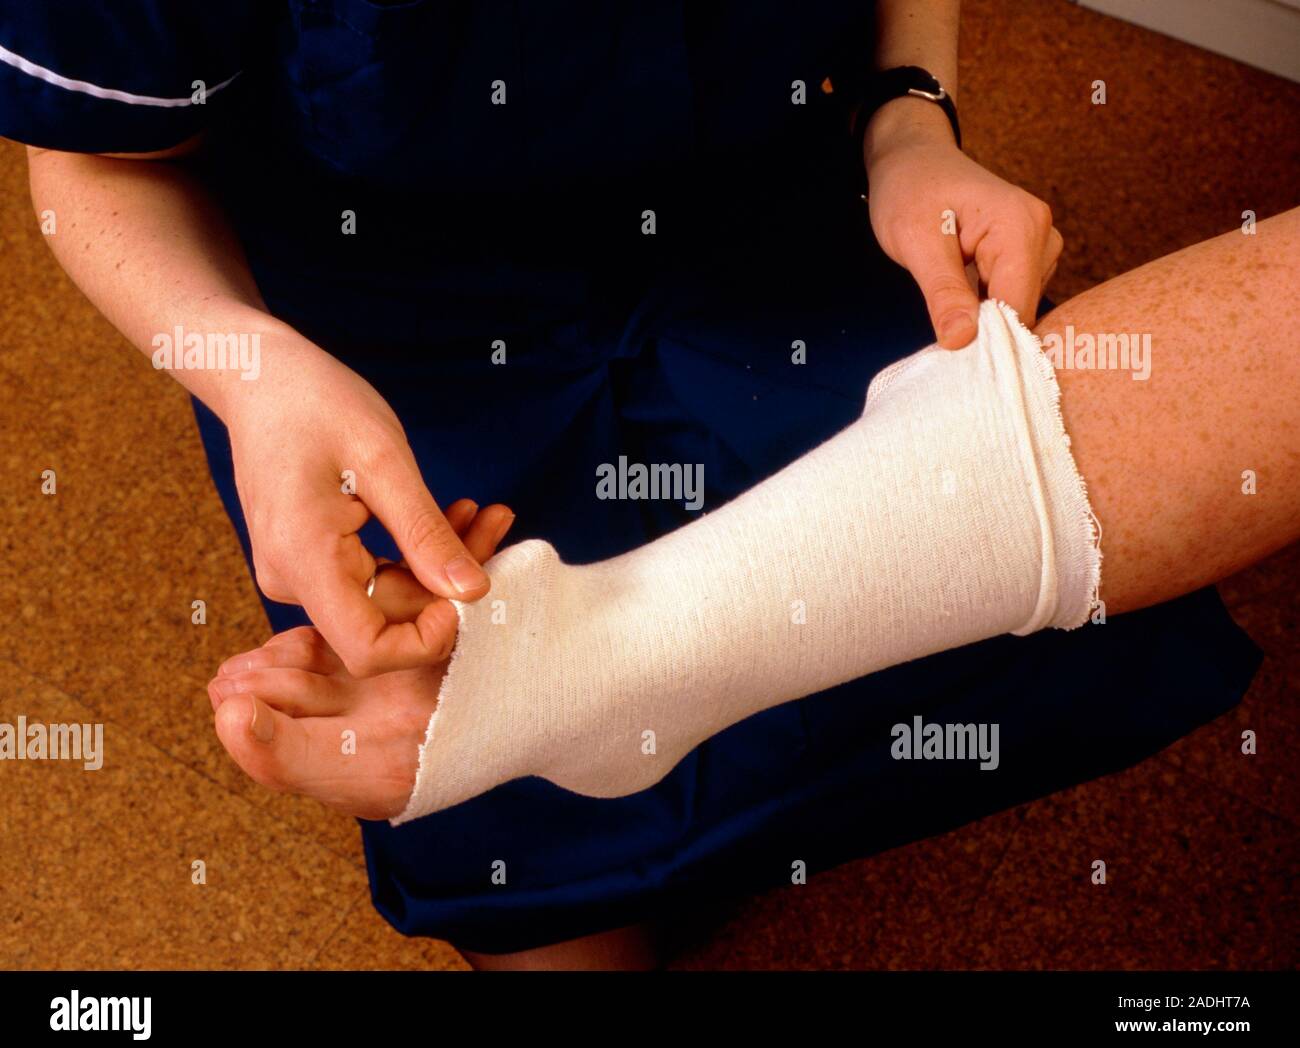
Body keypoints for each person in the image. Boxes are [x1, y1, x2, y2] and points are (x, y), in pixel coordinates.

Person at [5, 1, 1260, 969]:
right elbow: (96, 161)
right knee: (510, 830)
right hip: (389, 309)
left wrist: (907, 123)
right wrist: (250, 369)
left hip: (773, 215)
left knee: (947, 617)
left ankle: (613, 713)